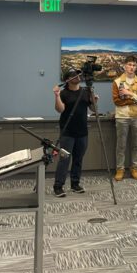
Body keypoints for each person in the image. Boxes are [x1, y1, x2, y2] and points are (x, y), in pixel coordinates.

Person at [51, 67, 97, 197]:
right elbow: (60, 109)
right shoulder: (64, 93)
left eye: (78, 74)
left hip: (82, 131)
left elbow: (93, 108)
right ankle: (58, 185)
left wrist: (95, 99)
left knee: (78, 158)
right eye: (74, 75)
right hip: (67, 132)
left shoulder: (85, 91)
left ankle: (75, 184)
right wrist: (57, 96)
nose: (77, 76)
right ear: (67, 79)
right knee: (64, 159)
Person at [111, 55, 137, 181]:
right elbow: (117, 101)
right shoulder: (117, 82)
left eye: (134, 65)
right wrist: (133, 100)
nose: (132, 67)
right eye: (130, 64)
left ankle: (134, 169)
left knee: (136, 145)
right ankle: (120, 169)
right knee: (121, 145)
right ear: (125, 65)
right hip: (122, 117)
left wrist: (128, 94)